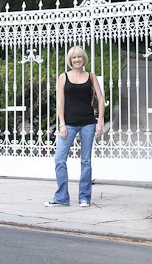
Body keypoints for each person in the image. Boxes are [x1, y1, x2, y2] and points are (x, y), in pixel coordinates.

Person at [44, 46, 105, 208]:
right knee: (59, 159)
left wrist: (100, 122)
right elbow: (60, 102)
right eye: (73, 57)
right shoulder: (63, 77)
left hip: (88, 123)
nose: (76, 59)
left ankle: (84, 197)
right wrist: (62, 124)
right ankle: (62, 197)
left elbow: (100, 99)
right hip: (69, 124)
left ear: (83, 58)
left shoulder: (91, 77)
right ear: (70, 60)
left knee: (86, 161)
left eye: (79, 57)